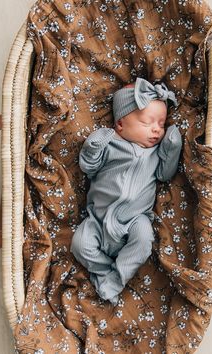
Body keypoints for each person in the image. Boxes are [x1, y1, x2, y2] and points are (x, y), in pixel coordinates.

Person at [70, 77, 182, 305]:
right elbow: (88, 167)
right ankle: (104, 273)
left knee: (144, 240)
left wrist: (172, 148)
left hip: (134, 220)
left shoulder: (155, 153)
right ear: (120, 125)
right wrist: (94, 145)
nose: (156, 130)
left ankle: (115, 281)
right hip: (98, 220)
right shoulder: (111, 145)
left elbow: (164, 174)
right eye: (148, 122)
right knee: (79, 245)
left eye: (161, 124)